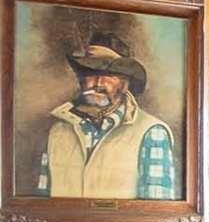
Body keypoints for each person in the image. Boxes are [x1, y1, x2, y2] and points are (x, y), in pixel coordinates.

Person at [36, 31, 179, 200]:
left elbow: (157, 210)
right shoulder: (57, 132)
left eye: (110, 75)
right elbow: (42, 204)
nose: (98, 83)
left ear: (125, 84)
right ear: (81, 80)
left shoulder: (151, 132)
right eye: (91, 72)